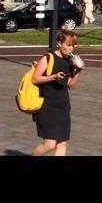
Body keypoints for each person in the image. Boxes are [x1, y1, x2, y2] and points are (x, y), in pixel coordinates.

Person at [30, 28, 85, 156]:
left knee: (62, 143)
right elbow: (35, 79)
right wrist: (53, 77)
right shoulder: (48, 58)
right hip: (47, 106)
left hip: (63, 106)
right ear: (60, 43)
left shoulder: (70, 61)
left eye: (73, 45)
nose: (71, 48)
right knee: (49, 145)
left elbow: (71, 85)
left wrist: (78, 71)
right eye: (68, 45)